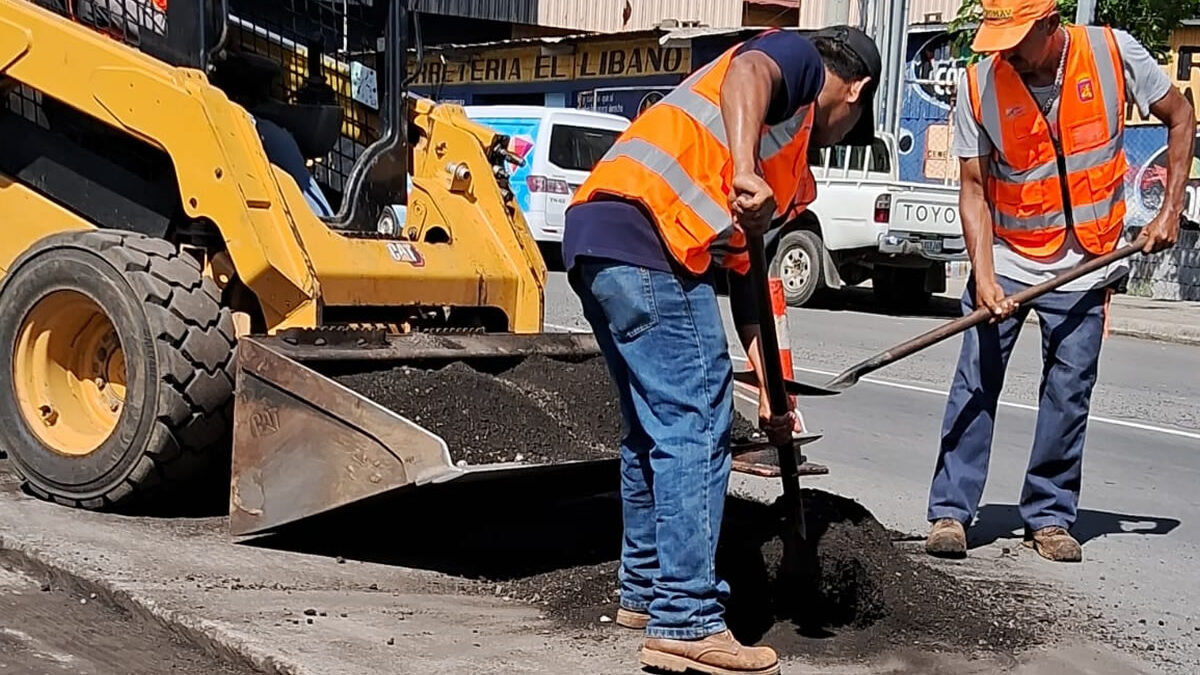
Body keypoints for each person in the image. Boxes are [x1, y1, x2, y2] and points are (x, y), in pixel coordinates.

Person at [562, 26, 881, 675]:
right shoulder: (798, 65)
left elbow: (749, 286)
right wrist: (742, 170)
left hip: (597, 239)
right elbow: (747, 75)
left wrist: (772, 393)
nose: (844, 133)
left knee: (651, 428)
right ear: (856, 89)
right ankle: (687, 619)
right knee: (695, 419)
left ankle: (645, 590)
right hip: (648, 237)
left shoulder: (785, 160)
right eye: (855, 121)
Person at [925, 0, 1192, 563]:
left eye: (1017, 41)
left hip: (1086, 261)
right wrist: (985, 275)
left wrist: (1171, 208)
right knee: (975, 384)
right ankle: (951, 511)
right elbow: (973, 189)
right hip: (1006, 256)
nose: (1008, 55)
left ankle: (1047, 514)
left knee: (1069, 393)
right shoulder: (979, 85)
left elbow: (1181, 117)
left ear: (1050, 25)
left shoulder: (1112, 53)